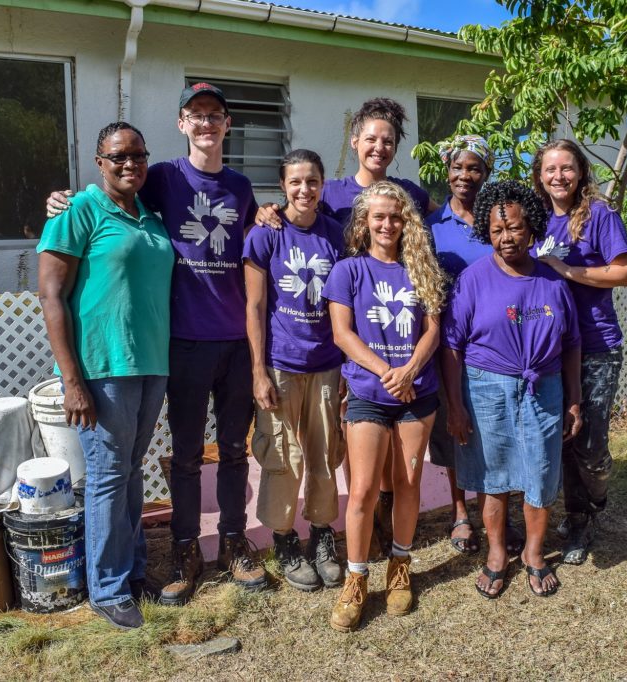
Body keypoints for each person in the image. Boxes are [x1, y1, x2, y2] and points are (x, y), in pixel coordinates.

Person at [46, 83, 268, 604]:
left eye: (216, 115)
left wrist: (274, 212)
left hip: (234, 340)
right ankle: (185, 548)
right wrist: (63, 198)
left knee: (233, 450)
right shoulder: (161, 177)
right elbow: (107, 200)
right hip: (182, 343)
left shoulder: (239, 186)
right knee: (185, 454)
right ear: (182, 123)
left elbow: (256, 239)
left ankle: (233, 540)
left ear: (227, 125)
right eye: (197, 115)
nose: (207, 123)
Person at [257, 97, 435, 556]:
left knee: (361, 455)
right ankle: (346, 528)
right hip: (343, 353)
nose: (379, 146)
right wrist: (266, 210)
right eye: (370, 138)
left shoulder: (409, 195)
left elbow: (442, 219)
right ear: (354, 142)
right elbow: (296, 209)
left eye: (388, 140)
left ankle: (381, 527)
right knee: (344, 453)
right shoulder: (332, 193)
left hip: (373, 350)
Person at [38, 122, 174, 629]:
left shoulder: (150, 219)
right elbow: (51, 296)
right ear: (100, 162)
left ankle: (133, 571)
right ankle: (108, 588)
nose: (129, 163)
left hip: (149, 364)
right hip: (102, 367)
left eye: (137, 155)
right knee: (108, 477)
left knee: (130, 471)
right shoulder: (78, 211)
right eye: (118, 156)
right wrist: (72, 381)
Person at [442, 180, 582, 598]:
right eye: (497, 230)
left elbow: (571, 342)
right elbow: (452, 345)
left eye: (515, 229)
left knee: (540, 474)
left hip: (545, 386)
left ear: (532, 227)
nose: (506, 238)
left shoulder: (553, 281)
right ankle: (498, 553)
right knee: (494, 478)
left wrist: (574, 400)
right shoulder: (472, 279)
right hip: (486, 388)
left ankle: (535, 555)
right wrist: (455, 405)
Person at [321, 181, 445, 631]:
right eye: (379, 216)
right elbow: (342, 335)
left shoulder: (422, 267)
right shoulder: (348, 271)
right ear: (364, 221)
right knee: (364, 490)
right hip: (370, 396)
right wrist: (388, 373)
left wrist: (409, 370)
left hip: (417, 393)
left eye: (396, 216)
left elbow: (432, 330)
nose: (388, 224)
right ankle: (356, 579)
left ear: (406, 220)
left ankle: (400, 565)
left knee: (408, 481)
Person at [242, 149, 345, 592]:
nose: (305, 189)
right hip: (281, 364)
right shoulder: (266, 235)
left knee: (324, 452)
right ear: (283, 186)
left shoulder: (336, 236)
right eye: (296, 182)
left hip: (326, 364)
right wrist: (258, 371)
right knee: (282, 454)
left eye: (313, 181)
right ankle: (283, 539)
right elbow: (255, 305)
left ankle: (323, 534)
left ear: (323, 185)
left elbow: (347, 304)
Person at [531, 139, 627, 565]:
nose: (558, 176)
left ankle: (593, 504)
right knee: (560, 441)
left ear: (580, 172)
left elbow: (625, 273)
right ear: (539, 175)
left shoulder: (598, 215)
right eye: (550, 169)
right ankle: (577, 517)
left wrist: (568, 270)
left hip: (595, 346)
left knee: (590, 445)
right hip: (548, 349)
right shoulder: (536, 221)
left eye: (567, 168)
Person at [425, 134, 524, 556]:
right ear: (447, 172)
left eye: (474, 168)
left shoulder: (494, 222)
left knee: (492, 429)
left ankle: (494, 510)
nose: (465, 176)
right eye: (458, 168)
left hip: (493, 341)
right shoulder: (431, 226)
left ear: (486, 173)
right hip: (446, 342)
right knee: (454, 426)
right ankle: (460, 512)